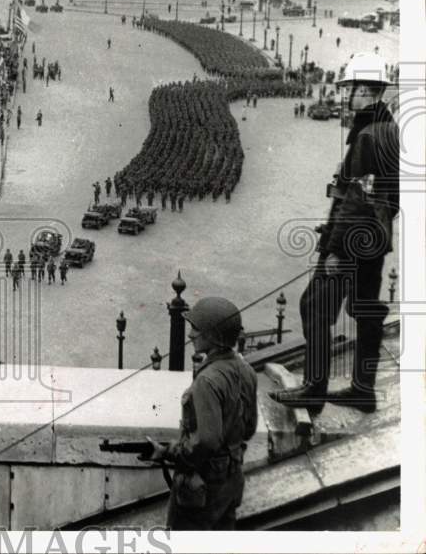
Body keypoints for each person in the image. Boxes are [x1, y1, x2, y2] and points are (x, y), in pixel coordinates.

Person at [272, 53, 399, 414]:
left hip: (351, 244)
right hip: (375, 242)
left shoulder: (367, 136)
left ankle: (314, 389)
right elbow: (390, 198)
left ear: (366, 90)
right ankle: (363, 389)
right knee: (367, 310)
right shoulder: (390, 129)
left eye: (350, 89)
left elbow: (354, 200)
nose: (345, 96)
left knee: (313, 306)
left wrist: (335, 247)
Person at [142, 297, 257, 530]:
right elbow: (249, 428)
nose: (190, 335)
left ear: (212, 335)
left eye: (196, 329)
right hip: (232, 480)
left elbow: (205, 442)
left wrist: (167, 451)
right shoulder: (246, 370)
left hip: (202, 488)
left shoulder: (207, 381)